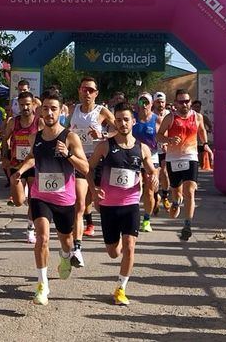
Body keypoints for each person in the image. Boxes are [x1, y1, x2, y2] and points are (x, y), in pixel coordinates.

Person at [11, 90, 88, 306]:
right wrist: (20, 170)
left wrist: (68, 155)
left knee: (66, 240)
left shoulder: (69, 137)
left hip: (64, 199)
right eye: (45, 108)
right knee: (42, 237)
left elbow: (85, 167)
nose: (49, 112)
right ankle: (42, 285)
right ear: (40, 110)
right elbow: (33, 158)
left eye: (53, 108)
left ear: (61, 111)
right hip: (40, 195)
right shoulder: (36, 136)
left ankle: (65, 256)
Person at [87, 102, 158, 305]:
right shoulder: (105, 146)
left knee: (129, 246)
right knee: (113, 252)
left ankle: (121, 288)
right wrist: (94, 190)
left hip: (131, 204)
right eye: (118, 120)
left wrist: (153, 177)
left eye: (126, 119)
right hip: (109, 206)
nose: (122, 123)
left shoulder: (141, 148)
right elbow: (89, 168)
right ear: (114, 122)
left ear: (133, 121)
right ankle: (115, 251)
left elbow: (151, 170)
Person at [68, 77, 116, 266]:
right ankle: (77, 248)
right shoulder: (73, 110)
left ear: (96, 93)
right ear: (79, 91)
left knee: (100, 202)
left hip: (98, 161)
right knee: (79, 204)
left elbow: (119, 130)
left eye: (91, 90)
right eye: (84, 89)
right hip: (79, 161)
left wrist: (103, 135)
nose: (87, 93)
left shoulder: (101, 111)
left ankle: (102, 226)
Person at [157, 89, 209, 240]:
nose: (184, 104)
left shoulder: (197, 116)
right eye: (181, 102)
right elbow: (158, 136)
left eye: (187, 101)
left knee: (190, 190)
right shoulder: (170, 117)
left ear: (190, 102)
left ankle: (187, 224)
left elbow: (202, 131)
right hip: (173, 159)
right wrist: (169, 140)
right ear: (176, 103)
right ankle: (175, 201)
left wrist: (205, 144)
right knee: (177, 192)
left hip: (191, 157)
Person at [1, 91, 40, 243]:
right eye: (22, 105)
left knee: (33, 200)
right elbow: (5, 139)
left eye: (28, 105)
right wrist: (4, 156)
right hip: (16, 164)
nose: (25, 108)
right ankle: (22, 193)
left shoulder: (39, 122)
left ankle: (30, 228)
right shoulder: (13, 122)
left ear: (33, 105)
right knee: (18, 201)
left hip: (34, 164)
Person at [131, 93, 161, 232]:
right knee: (135, 189)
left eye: (146, 102)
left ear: (151, 104)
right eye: (141, 102)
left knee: (149, 191)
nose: (144, 105)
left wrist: (165, 143)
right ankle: (132, 216)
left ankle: (147, 220)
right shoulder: (132, 118)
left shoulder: (156, 120)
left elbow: (163, 136)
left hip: (152, 156)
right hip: (134, 155)